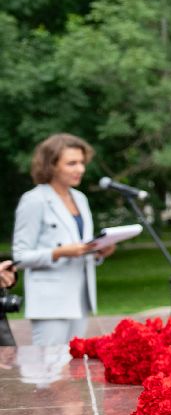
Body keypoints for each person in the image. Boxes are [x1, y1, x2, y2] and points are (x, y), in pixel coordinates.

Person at [11, 134, 117, 347]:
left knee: (73, 368)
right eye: (72, 163)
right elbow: (20, 257)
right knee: (50, 372)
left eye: (81, 162)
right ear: (51, 166)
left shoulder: (80, 198)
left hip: (81, 298)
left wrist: (98, 252)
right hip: (50, 302)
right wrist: (59, 252)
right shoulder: (34, 200)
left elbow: (81, 245)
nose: (80, 169)